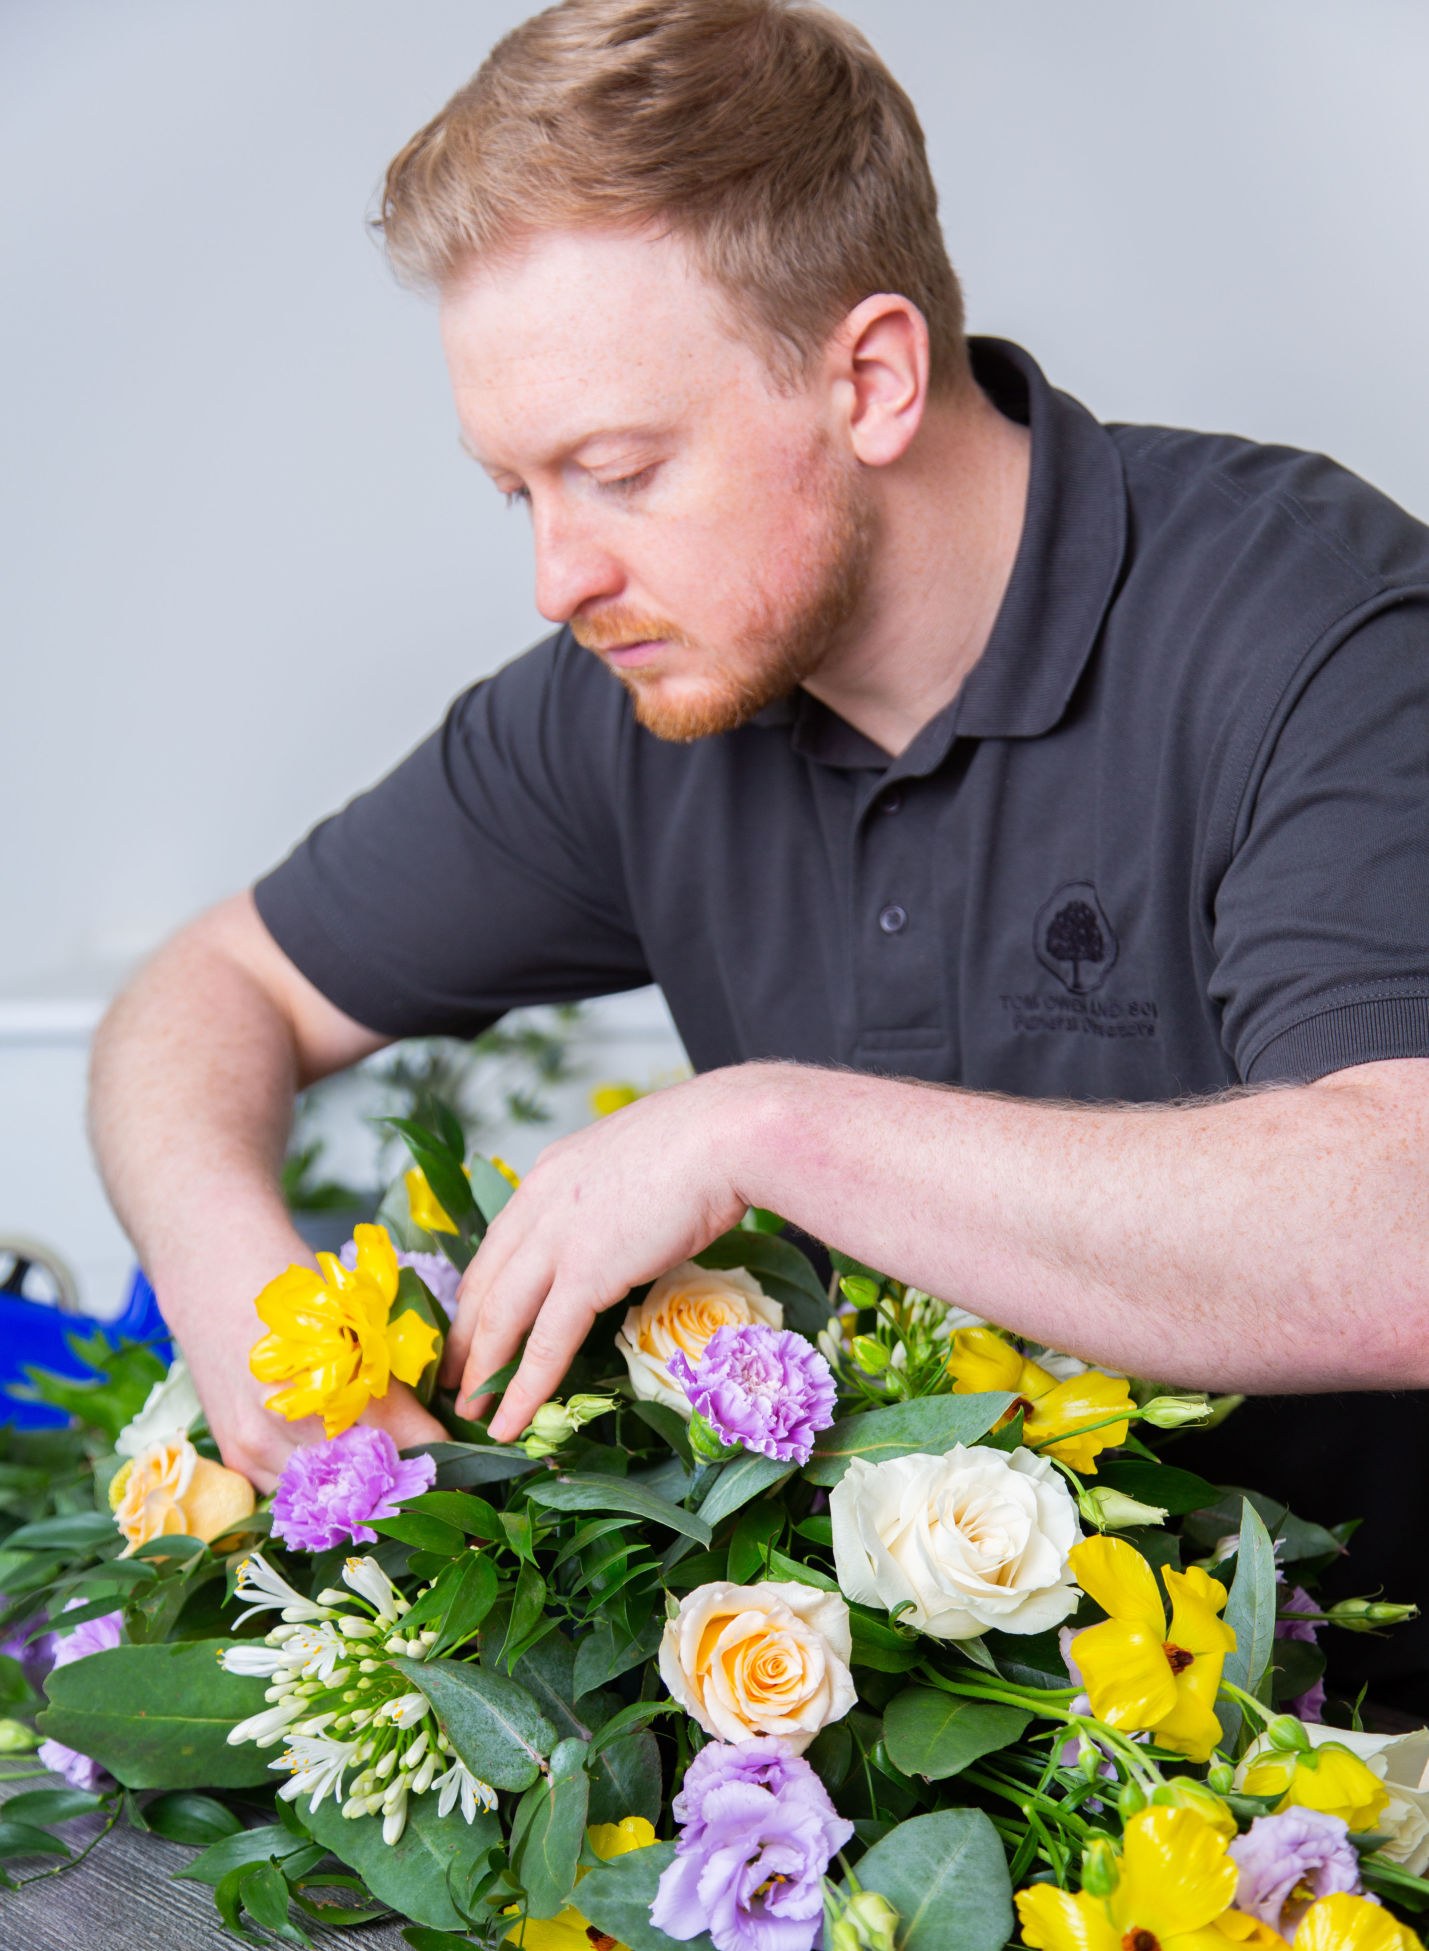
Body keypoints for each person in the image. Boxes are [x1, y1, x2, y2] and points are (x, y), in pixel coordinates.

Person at [90, 0, 1429, 1706]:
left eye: (616, 470)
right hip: (906, 1792)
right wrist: (231, 1282)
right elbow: (210, 988)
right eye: (519, 491)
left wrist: (767, 1129)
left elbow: (1404, 1236)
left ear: (867, 376)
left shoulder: (1315, 629)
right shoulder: (626, 694)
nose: (556, 577)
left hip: (1344, 1771)